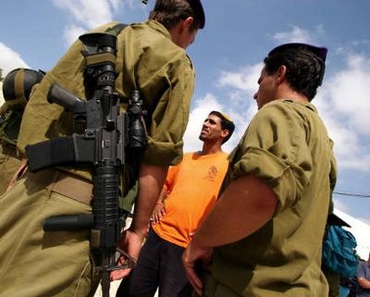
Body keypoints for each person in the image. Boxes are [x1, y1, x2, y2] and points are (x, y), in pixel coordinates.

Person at [0, 1, 205, 296]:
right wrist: (138, 230)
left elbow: (43, 103)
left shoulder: (104, 32)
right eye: (192, 37)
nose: (189, 44)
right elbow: (157, 156)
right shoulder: (175, 61)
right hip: (82, 206)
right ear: (186, 23)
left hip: (26, 188)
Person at [182, 43, 337, 297]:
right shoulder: (323, 139)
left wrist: (201, 241)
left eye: (260, 81)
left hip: (248, 286)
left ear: (280, 74)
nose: (256, 94)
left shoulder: (279, 112)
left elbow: (257, 196)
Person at [116, 111, 235, 297]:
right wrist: (157, 203)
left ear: (224, 133)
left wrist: (211, 237)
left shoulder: (227, 166)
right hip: (157, 236)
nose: (205, 124)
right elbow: (164, 185)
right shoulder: (185, 158)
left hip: (186, 248)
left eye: (212, 122)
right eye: (205, 120)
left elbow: (228, 207)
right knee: (131, 292)